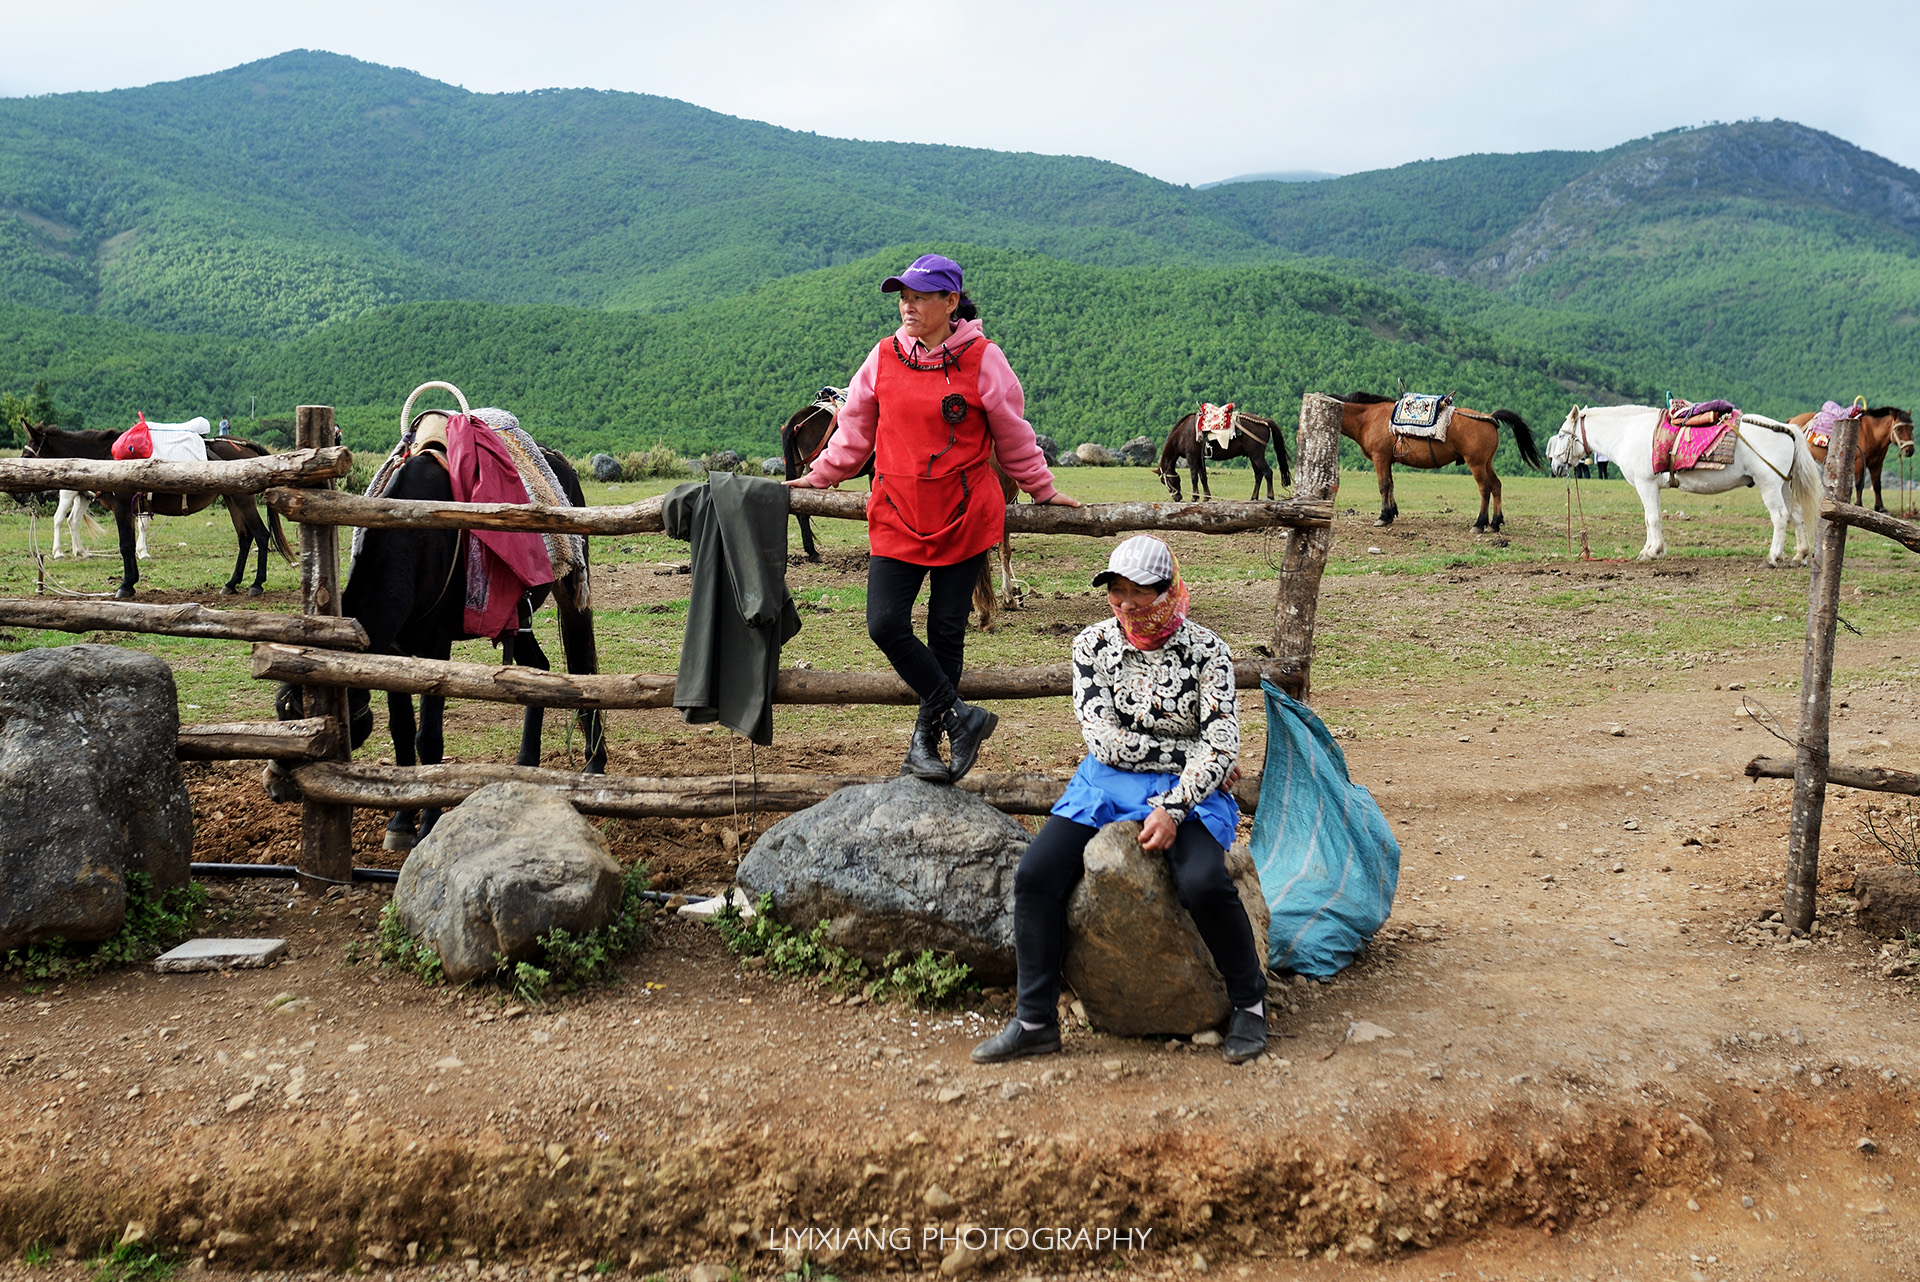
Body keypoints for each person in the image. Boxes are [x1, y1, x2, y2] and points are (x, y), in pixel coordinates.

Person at [971, 536, 1269, 1066]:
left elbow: (1222, 740)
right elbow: (1106, 741)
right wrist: (1195, 753)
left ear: (1168, 590)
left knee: (1202, 881)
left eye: (1138, 594)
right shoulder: (1093, 646)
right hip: (1107, 783)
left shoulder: (1209, 652)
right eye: (1116, 594)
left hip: (1190, 794)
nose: (1126, 607)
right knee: (1036, 875)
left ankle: (1249, 1003)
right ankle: (1035, 1020)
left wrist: (1177, 804)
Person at [788, 253, 1078, 782]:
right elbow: (854, 431)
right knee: (885, 623)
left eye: (919, 296)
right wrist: (820, 475)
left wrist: (1042, 489)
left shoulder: (984, 359)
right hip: (898, 513)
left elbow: (1013, 434)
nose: (907, 305)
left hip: (964, 513)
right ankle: (960, 716)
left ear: (950, 302)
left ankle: (926, 739)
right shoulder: (882, 358)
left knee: (947, 630)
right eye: (903, 296)